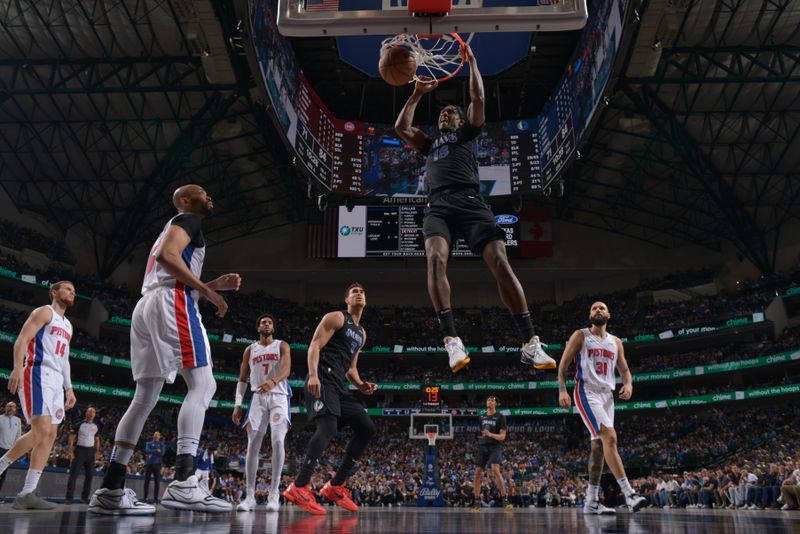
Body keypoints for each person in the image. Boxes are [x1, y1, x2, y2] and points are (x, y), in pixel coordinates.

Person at [394, 45, 555, 373]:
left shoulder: (468, 133)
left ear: (460, 118)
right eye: (442, 114)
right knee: (435, 259)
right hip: (438, 206)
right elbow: (401, 128)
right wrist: (416, 93)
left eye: (450, 112)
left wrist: (474, 63)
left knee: (500, 261)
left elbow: (478, 100)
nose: (444, 115)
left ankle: (530, 343)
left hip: (471, 202)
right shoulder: (429, 144)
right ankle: (452, 342)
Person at [88, 184, 241, 515]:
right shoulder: (189, 220)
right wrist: (208, 292)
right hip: (173, 302)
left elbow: (166, 270)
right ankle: (185, 481)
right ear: (186, 201)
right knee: (204, 385)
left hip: (148, 306)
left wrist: (211, 285)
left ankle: (111, 489)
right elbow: (167, 259)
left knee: (144, 398)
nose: (210, 196)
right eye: (203, 192)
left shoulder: (174, 226)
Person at [283, 283, 377, 515]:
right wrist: (313, 374)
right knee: (328, 427)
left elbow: (351, 369)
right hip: (322, 378)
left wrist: (362, 385)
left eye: (362, 292)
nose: (359, 294)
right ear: (346, 299)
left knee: (367, 428)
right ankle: (300, 485)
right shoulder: (336, 318)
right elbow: (314, 345)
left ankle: (335, 487)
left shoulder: (361, 334)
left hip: (339, 386)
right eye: (354, 292)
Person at [557, 301, 647, 514]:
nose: (598, 310)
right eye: (594, 308)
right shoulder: (580, 335)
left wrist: (628, 384)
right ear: (590, 315)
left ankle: (591, 502)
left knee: (598, 448)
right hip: (586, 391)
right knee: (610, 436)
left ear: (609, 314)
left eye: (602, 308)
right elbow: (562, 365)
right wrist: (562, 390)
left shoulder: (616, 342)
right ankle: (630, 494)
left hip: (607, 396)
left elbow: (625, 371)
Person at [0, 281, 77, 509]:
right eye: (67, 289)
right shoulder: (45, 312)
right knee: (41, 430)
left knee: (50, 434)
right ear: (54, 292)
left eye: (74, 291)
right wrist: (16, 367)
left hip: (55, 380)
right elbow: (23, 339)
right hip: (37, 371)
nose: (72, 293)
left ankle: (27, 493)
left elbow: (64, 360)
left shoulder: (69, 325)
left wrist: (69, 388)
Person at [232, 313, 291, 512]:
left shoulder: (282, 345)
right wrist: (237, 404)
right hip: (257, 397)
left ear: (273, 328)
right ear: (258, 328)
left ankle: (274, 495)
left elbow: (286, 369)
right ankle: (249, 496)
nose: (267, 324)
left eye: (270, 322)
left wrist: (273, 381)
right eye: (263, 322)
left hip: (278, 396)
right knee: (252, 445)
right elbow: (242, 378)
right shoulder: (250, 350)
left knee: (277, 440)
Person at [471, 395, 512, 510]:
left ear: (496, 403)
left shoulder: (500, 417)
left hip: (495, 446)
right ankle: (477, 500)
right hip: (483, 445)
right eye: (488, 399)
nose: (489, 401)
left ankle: (505, 498)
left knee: (495, 469)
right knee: (477, 473)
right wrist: (486, 437)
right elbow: (481, 431)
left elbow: (503, 436)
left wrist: (491, 435)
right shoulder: (482, 416)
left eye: (492, 400)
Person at [65, 406, 100, 503]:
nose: (91, 413)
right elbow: (71, 438)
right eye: (89, 411)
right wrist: (70, 451)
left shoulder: (96, 426)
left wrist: (97, 452)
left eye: (93, 412)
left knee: (89, 475)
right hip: (80, 450)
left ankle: (85, 497)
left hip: (90, 452)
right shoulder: (79, 424)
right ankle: (69, 498)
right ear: (86, 413)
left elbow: (97, 440)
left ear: (95, 414)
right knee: (73, 474)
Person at [0, 401, 22, 495]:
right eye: (8, 406)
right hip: (0, 448)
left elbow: (18, 436)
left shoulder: (18, 420)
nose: (10, 408)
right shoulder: (0, 418)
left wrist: (16, 450)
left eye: (12, 406)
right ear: (5, 407)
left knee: (3, 475)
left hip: (10, 451)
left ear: (15, 409)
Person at [143, 431, 165, 503]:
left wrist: (152, 451)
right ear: (153, 436)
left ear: (159, 437)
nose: (156, 436)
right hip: (149, 464)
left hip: (157, 465)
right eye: (155, 435)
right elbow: (146, 450)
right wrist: (156, 450)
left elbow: (162, 453)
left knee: (157, 482)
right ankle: (145, 498)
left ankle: (155, 499)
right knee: (146, 481)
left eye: (157, 435)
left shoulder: (161, 444)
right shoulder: (148, 443)